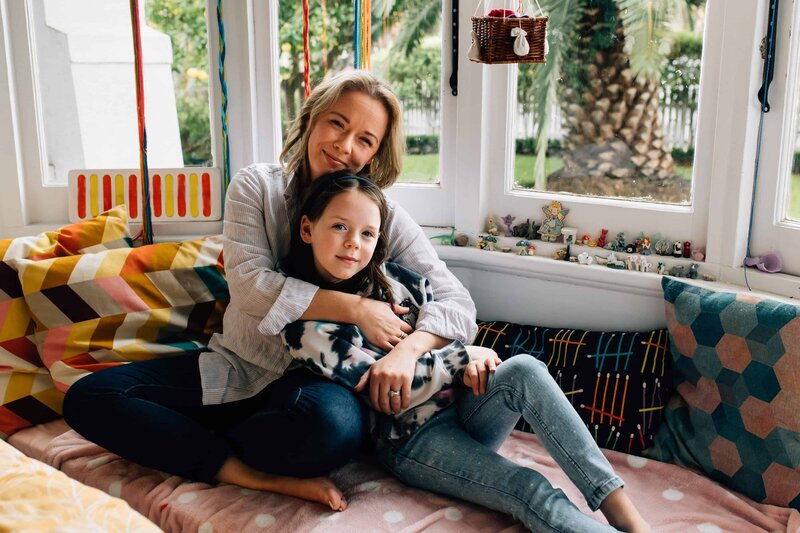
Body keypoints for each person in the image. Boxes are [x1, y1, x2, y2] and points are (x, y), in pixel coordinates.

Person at [62, 70, 477, 512]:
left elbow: (460, 305)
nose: (344, 145)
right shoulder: (256, 187)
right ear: (312, 118)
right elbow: (251, 289)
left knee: (330, 429)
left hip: (317, 387)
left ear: (376, 153)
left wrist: (406, 352)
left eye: (365, 139)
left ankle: (199, 440)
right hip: (237, 366)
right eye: (337, 123)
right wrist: (357, 309)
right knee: (90, 398)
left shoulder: (382, 215)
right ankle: (244, 472)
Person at [281, 172, 650, 532]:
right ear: (308, 229)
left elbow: (446, 328)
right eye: (339, 227)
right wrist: (463, 358)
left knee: (524, 369)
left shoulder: (399, 280)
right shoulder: (305, 328)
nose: (353, 243)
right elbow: (390, 390)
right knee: (529, 487)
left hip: (465, 405)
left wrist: (470, 354)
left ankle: (625, 514)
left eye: (367, 233)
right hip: (413, 438)